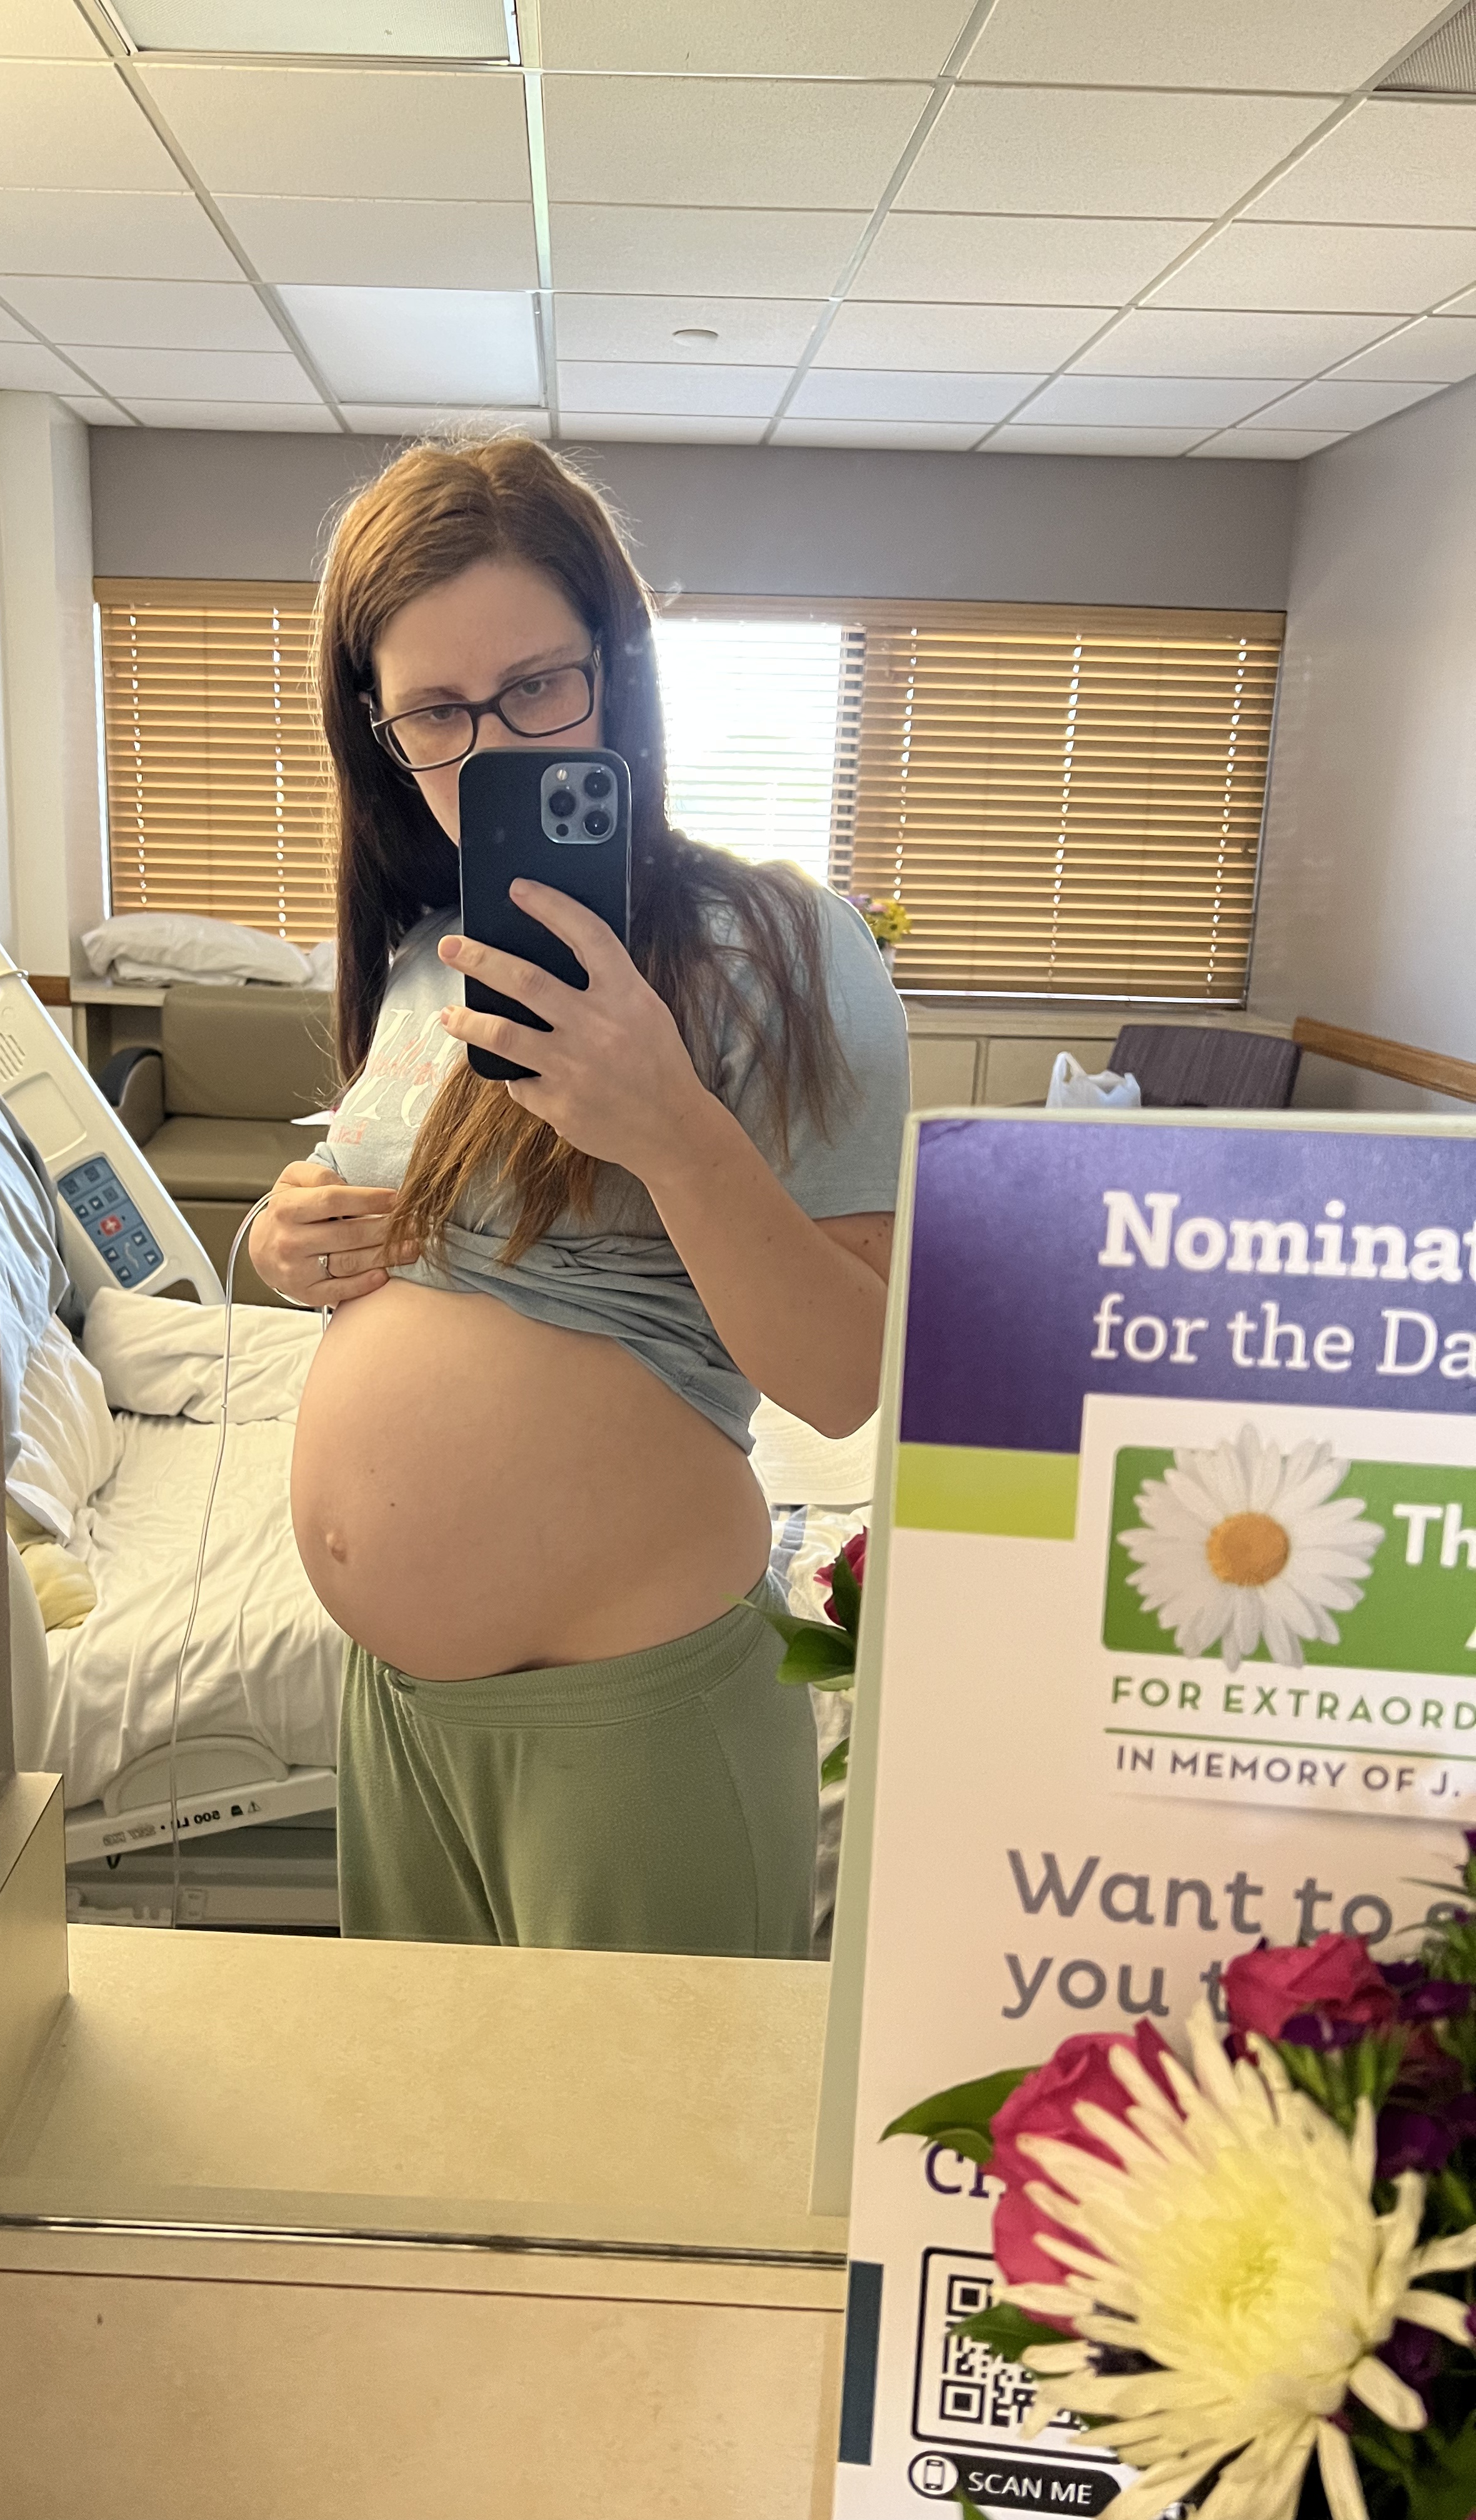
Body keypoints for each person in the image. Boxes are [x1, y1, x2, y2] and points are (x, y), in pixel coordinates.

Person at [247, 436, 908, 1959]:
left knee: (650, 2128)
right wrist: (285, 1240)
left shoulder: (783, 946)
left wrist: (670, 1126)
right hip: (401, 1716)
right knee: (427, 2116)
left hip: (632, 1720)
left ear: (617, 670)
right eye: (435, 712)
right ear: (378, 732)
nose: (491, 750)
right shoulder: (428, 954)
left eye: (538, 687)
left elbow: (844, 1376)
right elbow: (401, 1245)